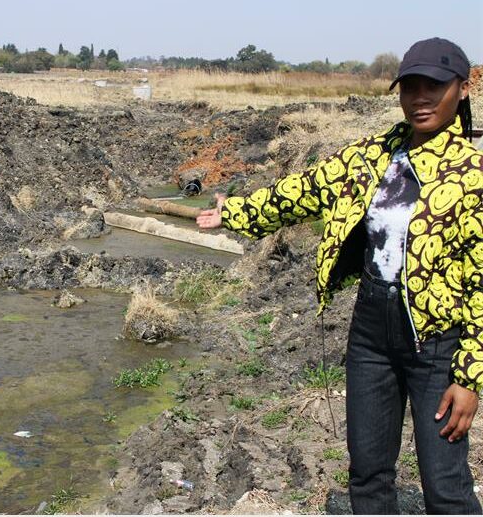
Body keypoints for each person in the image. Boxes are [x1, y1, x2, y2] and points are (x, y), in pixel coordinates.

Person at [197, 37, 481, 514]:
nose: (420, 98)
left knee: (445, 485)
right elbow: (304, 189)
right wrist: (238, 212)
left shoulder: (473, 176)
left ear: (463, 88)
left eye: (434, 85)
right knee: (368, 474)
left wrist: (470, 375)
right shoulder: (372, 154)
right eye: (409, 86)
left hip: (436, 345)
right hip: (371, 332)